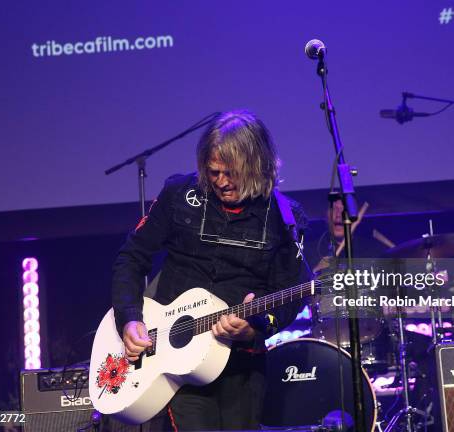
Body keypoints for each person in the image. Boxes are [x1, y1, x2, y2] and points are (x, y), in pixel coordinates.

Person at [111, 110, 310, 430]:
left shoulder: (285, 217)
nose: (220, 181)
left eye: (230, 173)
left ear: (257, 167)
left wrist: (256, 329)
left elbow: (291, 294)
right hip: (175, 364)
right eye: (213, 172)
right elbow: (131, 258)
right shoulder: (178, 195)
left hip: (241, 368)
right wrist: (130, 317)